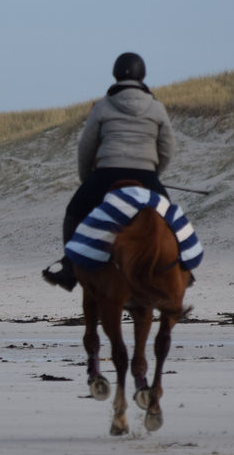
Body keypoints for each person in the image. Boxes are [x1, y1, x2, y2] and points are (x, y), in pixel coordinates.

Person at [43, 51, 176, 290]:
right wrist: (155, 174)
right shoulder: (157, 108)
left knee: (74, 212)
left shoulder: (102, 107)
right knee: (170, 217)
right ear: (142, 75)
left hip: (106, 174)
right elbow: (167, 147)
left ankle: (70, 267)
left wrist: (88, 179)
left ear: (116, 75)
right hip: (145, 176)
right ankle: (179, 265)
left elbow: (86, 147)